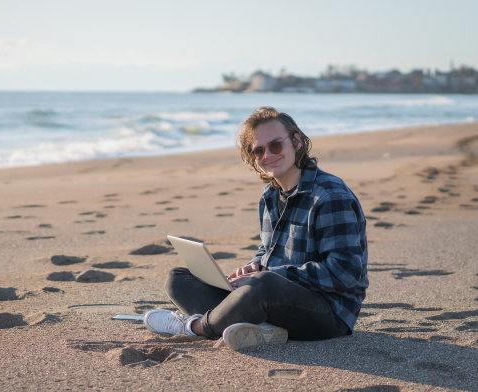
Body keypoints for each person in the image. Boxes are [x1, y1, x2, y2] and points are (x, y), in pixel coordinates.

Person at [143, 106, 369, 350]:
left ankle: (195, 328)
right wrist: (256, 264)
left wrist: (271, 276)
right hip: (271, 299)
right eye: (258, 150)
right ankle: (259, 327)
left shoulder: (329, 196)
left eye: (275, 145)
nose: (267, 155)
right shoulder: (270, 195)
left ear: (296, 142)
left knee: (262, 286)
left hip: (329, 313)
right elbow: (267, 247)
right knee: (179, 279)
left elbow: (345, 272)